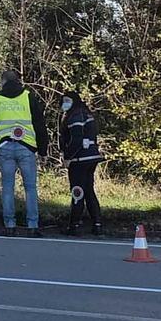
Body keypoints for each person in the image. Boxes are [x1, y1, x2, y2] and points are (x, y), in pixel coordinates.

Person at [0, 70, 49, 237]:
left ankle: (9, 225)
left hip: (4, 146)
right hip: (26, 146)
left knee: (7, 187)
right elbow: (39, 124)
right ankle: (32, 225)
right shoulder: (28, 96)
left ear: (3, 81)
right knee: (30, 188)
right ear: (18, 81)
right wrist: (43, 150)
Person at [59, 91, 104, 236]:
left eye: (68, 101)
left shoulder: (75, 116)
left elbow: (76, 140)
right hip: (92, 158)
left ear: (74, 101)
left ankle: (74, 225)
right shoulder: (86, 114)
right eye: (64, 101)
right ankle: (97, 224)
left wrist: (68, 157)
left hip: (80, 160)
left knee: (77, 192)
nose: (65, 104)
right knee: (89, 190)